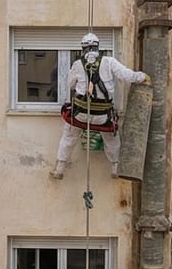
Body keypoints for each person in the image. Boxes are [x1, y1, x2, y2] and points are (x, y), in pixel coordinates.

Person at [55, 32, 148, 179]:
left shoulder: (78, 64)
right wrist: (143, 77)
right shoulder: (109, 62)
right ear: (98, 47)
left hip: (80, 114)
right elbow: (127, 76)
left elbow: (70, 85)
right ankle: (115, 167)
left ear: (83, 48)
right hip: (102, 116)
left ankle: (60, 167)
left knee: (69, 135)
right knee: (111, 137)